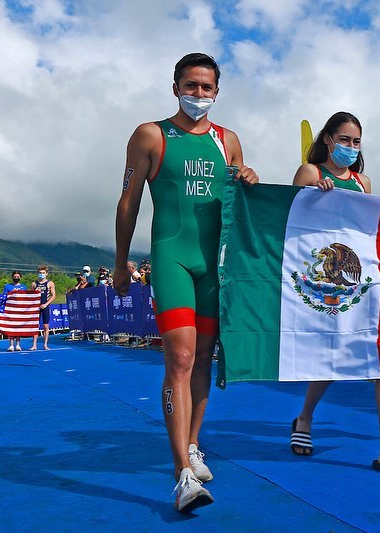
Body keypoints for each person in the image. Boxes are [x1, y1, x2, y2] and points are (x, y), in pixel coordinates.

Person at [113, 52, 259, 513]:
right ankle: (182, 476)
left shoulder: (228, 141)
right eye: (191, 86)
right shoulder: (152, 135)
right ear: (175, 87)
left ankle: (193, 445)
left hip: (214, 267)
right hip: (173, 257)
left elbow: (241, 205)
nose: (199, 94)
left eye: (207, 88)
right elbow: (128, 200)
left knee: (203, 361)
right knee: (179, 356)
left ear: (217, 91)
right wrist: (120, 262)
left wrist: (251, 179)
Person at [288, 112, 380, 477]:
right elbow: (290, 219)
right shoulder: (311, 173)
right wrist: (312, 196)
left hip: (361, 278)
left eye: (356, 142)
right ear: (328, 140)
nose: (350, 147)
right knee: (330, 356)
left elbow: (373, 225)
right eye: (344, 140)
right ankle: (304, 419)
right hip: (323, 279)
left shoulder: (363, 181)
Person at [30, 265, 56, 351]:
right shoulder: (34, 283)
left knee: (46, 325)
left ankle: (45, 344)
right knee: (35, 326)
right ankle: (34, 345)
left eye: (43, 273)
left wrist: (46, 304)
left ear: (46, 273)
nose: (41, 274)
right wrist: (35, 291)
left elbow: (53, 295)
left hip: (45, 306)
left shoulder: (50, 283)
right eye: (40, 273)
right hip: (36, 307)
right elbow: (31, 296)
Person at [3, 271, 28, 351]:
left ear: (20, 277)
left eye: (18, 277)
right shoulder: (7, 286)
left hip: (20, 309)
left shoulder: (24, 287)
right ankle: (11, 344)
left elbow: (26, 298)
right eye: (15, 276)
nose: (16, 278)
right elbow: (4, 296)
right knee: (11, 327)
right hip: (10, 309)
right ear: (12, 277)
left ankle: (18, 344)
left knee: (18, 327)